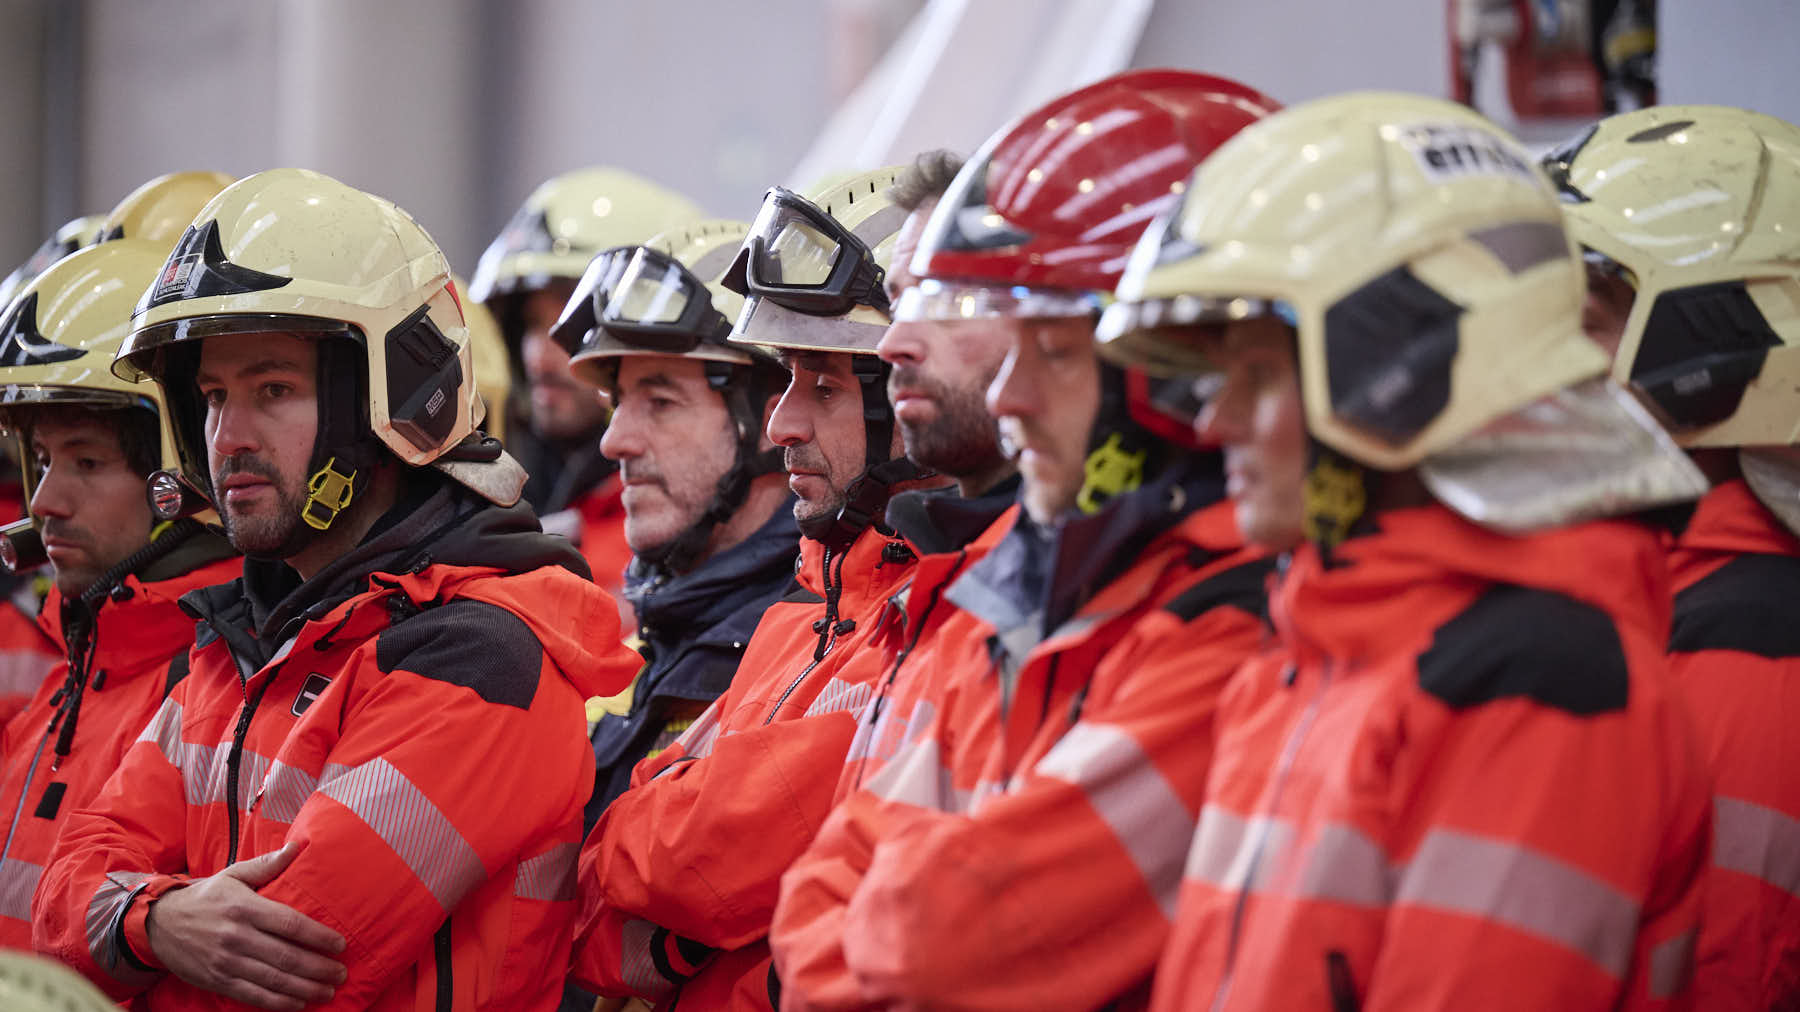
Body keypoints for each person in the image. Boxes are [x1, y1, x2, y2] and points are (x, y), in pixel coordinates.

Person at [1096, 91, 1713, 1010]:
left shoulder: (1547, 689)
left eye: (1258, 373)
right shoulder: (1305, 656)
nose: (1215, 419)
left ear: (1404, 371)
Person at [34, 168, 639, 1011]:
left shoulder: (477, 660)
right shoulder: (239, 639)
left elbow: (281, 974)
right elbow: (63, 883)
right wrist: (157, 923)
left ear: (387, 402)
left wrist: (129, 927)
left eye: (272, 390)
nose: (227, 437)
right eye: (211, 397)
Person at [770, 69, 1281, 1011]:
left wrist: (877, 923)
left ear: (1173, 366)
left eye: (1049, 349)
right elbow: (811, 903)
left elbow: (947, 949)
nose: (1008, 394)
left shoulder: (1235, 628)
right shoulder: (1006, 594)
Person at [569, 166, 951, 1010]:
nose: (615, 442)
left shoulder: (921, 628)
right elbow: (600, 878)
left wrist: (657, 904)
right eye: (785, 378)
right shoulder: (798, 616)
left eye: (659, 400)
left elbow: (675, 869)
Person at [1546, 103, 1800, 1009]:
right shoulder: (1663, 596)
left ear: (1710, 356)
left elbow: (1718, 980)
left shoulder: (1751, 649)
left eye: (1585, 326)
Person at [0, 238, 240, 950]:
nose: (45, 501)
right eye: (42, 461)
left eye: (87, 462)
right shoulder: (75, 674)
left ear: (184, 480)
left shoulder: (217, 689)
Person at [554, 219, 798, 823]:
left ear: (768, 423)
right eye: (618, 404)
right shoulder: (648, 639)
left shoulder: (806, 659)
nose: (614, 441)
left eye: (660, 404)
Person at [473, 168, 704, 600]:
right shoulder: (502, 507)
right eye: (531, 325)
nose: (538, 357)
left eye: (570, 325)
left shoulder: (679, 536)